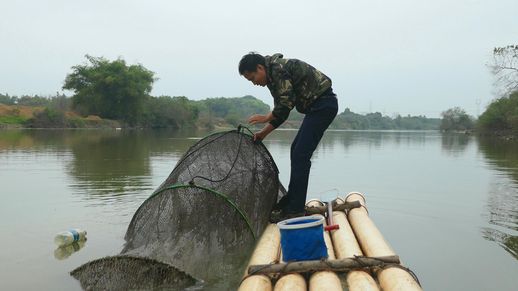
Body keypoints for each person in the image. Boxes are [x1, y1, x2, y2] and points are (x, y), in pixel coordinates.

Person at [238, 52, 338, 222]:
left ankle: (295, 209)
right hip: (318, 106)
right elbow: (282, 109)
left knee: (300, 154)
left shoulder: (277, 70)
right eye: (250, 81)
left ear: (260, 68)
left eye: (253, 77)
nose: (254, 82)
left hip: (323, 105)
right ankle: (294, 200)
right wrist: (263, 132)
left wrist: (265, 119)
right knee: (296, 150)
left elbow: (285, 106)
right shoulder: (272, 76)